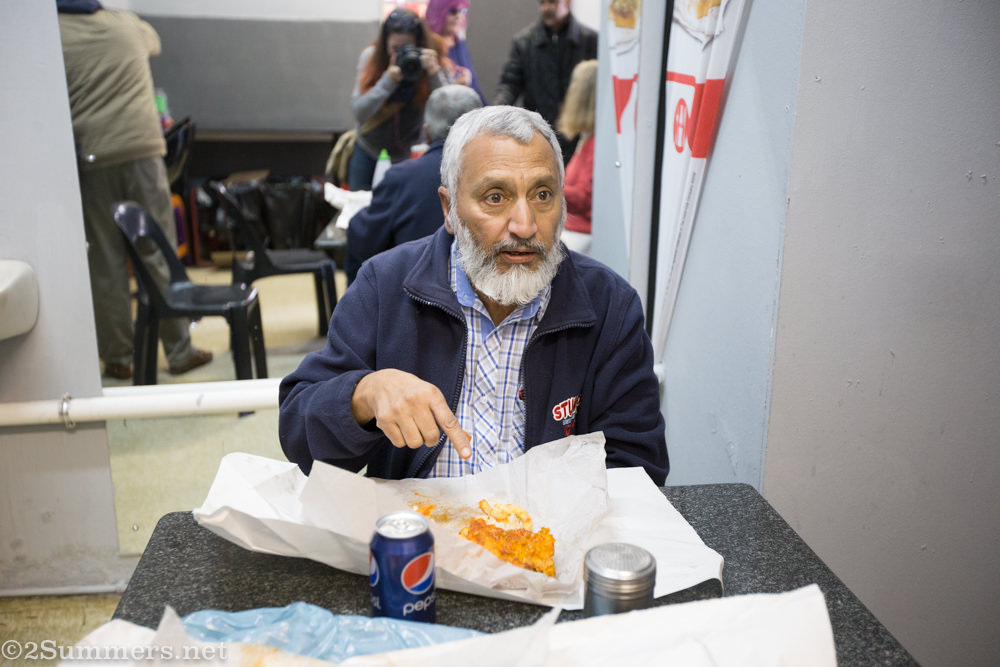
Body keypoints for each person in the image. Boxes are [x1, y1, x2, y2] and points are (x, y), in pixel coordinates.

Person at [279, 105, 668, 485]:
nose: (525, 225)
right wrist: (362, 396)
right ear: (449, 209)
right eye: (495, 197)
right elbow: (300, 435)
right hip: (421, 534)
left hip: (549, 539)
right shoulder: (385, 285)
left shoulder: (608, 305)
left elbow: (637, 468)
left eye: (542, 194)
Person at [57, 0, 212, 380]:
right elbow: (153, 42)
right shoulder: (126, 24)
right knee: (156, 251)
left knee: (106, 261)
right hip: (143, 149)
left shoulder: (53, 34)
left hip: (94, 154)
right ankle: (179, 351)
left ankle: (118, 358)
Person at [345, 85, 483, 284]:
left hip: (415, 300)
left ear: (426, 132)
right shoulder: (504, 176)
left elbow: (364, 241)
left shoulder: (401, 178)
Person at [347, 8, 450, 191]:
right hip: (369, 150)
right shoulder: (372, 57)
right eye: (395, 48)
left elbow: (449, 108)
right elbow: (359, 112)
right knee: (358, 207)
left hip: (408, 155)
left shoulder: (430, 58)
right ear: (384, 44)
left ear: (419, 44)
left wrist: (434, 73)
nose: (402, 54)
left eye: (408, 48)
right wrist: (387, 81)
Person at [493, 0, 598, 160]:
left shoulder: (591, 41)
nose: (546, 8)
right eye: (542, 3)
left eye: (552, 2)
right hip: (538, 136)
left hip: (578, 140)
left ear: (568, 2)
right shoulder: (523, 42)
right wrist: (494, 115)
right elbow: (509, 85)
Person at [555, 59, 597, 254]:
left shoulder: (596, 146)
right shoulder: (587, 139)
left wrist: (550, 187)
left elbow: (585, 198)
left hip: (581, 234)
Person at [424, 0, 486, 103]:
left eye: (463, 11)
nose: (459, 16)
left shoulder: (459, 43)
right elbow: (433, 96)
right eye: (453, 11)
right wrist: (455, 86)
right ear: (438, 12)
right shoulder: (430, 48)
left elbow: (474, 86)